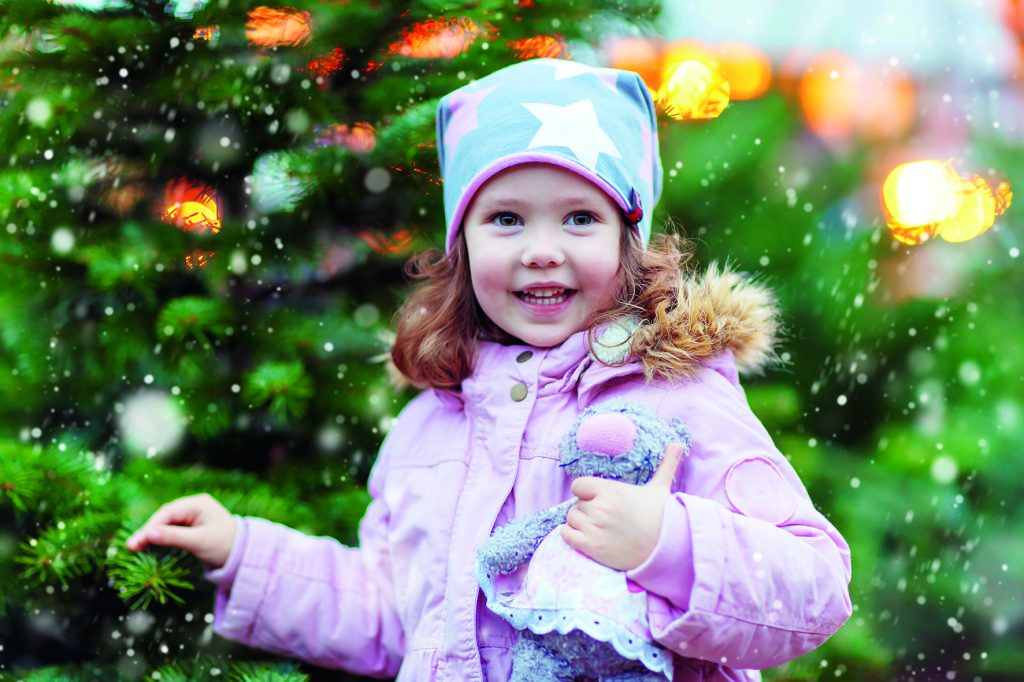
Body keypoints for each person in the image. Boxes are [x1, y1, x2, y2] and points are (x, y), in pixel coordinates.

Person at [126, 58, 852, 681]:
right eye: (506, 218)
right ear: (463, 245)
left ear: (629, 243)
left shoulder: (678, 400)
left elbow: (815, 588)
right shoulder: (432, 424)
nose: (541, 248)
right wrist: (243, 552)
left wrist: (668, 544)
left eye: (579, 218)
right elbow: (390, 612)